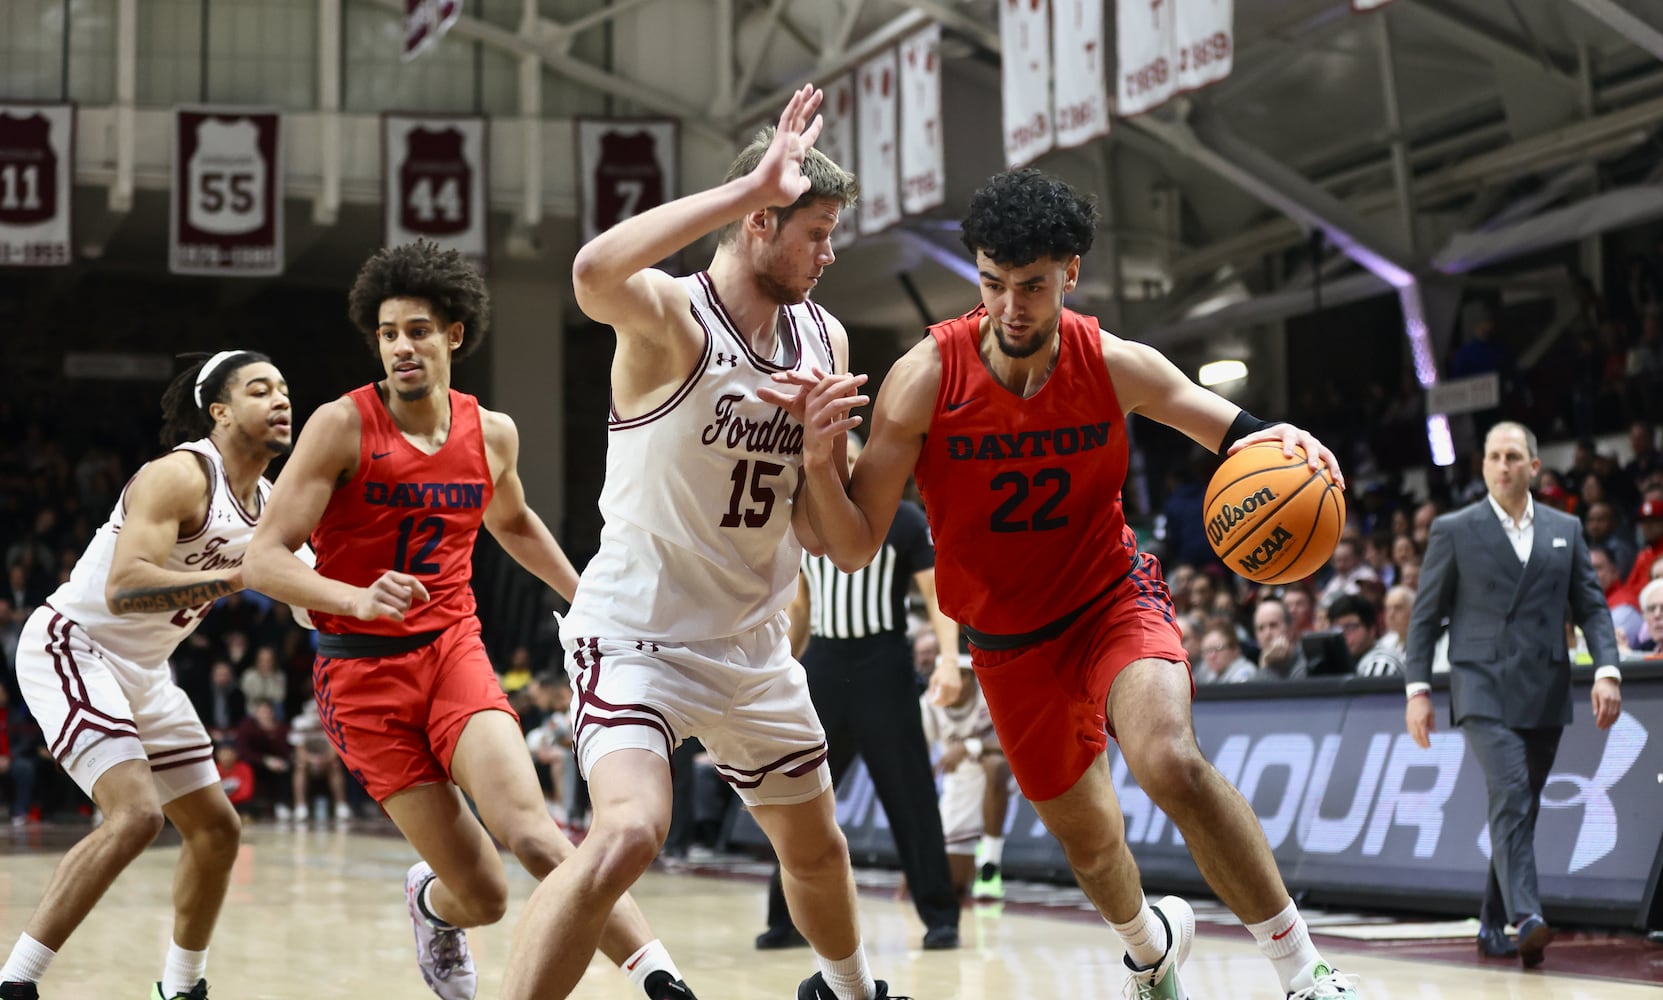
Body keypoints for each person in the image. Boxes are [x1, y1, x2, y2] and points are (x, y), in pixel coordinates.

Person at [769, 167, 1360, 999]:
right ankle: (1148, 952)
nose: (1013, 306)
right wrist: (817, 463)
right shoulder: (925, 379)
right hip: (1008, 648)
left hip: (1110, 602)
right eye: (994, 284)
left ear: (1069, 274)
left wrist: (1287, 439)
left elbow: (1224, 426)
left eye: (1034, 286)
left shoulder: (1111, 363)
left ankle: (1305, 972)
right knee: (1092, 849)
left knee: (1170, 762)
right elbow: (855, 546)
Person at [499, 88, 903, 1000]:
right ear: (760, 221)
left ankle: (850, 991)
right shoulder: (674, 319)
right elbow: (592, 271)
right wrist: (738, 188)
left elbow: (834, 544)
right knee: (629, 834)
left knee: (816, 845)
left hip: (751, 647)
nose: (830, 253)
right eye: (817, 232)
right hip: (639, 635)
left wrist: (818, 455)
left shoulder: (821, 336)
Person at [240, 241, 696, 1000]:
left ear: (453, 335)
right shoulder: (340, 425)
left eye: (416, 330)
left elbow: (512, 524)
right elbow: (263, 559)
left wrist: (586, 598)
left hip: (452, 650)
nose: (400, 347)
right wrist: (350, 595)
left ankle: (660, 976)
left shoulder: (490, 433)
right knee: (481, 897)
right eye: (387, 333)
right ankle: (430, 902)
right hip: (360, 673)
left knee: (537, 836)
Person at [1, 351, 294, 1000]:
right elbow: (125, 587)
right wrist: (242, 578)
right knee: (135, 817)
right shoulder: (182, 475)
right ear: (219, 411)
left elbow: (302, 595)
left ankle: (180, 987)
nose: (281, 400)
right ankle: (15, 982)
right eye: (259, 389)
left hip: (144, 670)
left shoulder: (272, 504)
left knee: (217, 830)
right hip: (74, 646)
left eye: (283, 389)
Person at [1403, 421, 1623, 968]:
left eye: (1513, 456)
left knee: (1518, 809)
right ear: (1483, 467)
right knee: (1513, 792)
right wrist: (1418, 689)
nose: (1504, 465)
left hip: (1546, 685)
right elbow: (1425, 617)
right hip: (1480, 684)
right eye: (1494, 457)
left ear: (1533, 466)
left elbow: (1593, 608)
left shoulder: (1565, 528)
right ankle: (1526, 916)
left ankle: (1488, 923)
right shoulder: (1454, 529)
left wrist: (1607, 670)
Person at [758, 433, 961, 952]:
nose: (843, 468)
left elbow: (936, 596)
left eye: (850, 459)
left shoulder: (905, 520)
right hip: (824, 663)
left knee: (909, 792)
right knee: (798, 791)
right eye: (833, 459)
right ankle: (785, 920)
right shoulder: (802, 521)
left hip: (883, 665)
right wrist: (782, 663)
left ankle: (940, 916)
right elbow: (799, 609)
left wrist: (947, 661)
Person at [920, 661, 1010, 902]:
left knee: (995, 767)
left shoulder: (992, 690)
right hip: (961, 778)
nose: (956, 683)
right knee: (949, 885)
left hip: (1011, 768)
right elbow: (921, 764)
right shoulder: (929, 704)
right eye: (952, 674)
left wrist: (970, 746)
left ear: (973, 677)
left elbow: (1021, 739)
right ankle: (976, 854)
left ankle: (990, 865)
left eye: (963, 676)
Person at [1325, 594, 1404, 678]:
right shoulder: (1345, 661)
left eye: (1350, 627)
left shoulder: (1381, 664)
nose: (1342, 635)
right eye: (1336, 629)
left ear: (1371, 630)